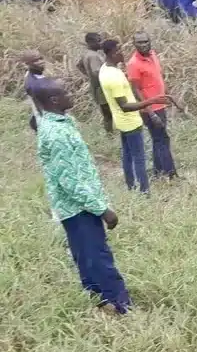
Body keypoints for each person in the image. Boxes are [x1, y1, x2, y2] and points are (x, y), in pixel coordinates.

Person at [33, 80, 131, 314]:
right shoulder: (56, 133)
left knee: (84, 253)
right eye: (66, 93)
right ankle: (120, 304)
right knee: (97, 254)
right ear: (54, 100)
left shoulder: (60, 123)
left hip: (73, 206)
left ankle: (95, 294)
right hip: (79, 206)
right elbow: (70, 181)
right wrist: (102, 209)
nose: (71, 95)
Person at [99, 39, 170, 193]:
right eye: (119, 50)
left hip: (121, 121)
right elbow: (124, 106)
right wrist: (151, 101)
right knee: (139, 158)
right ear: (113, 53)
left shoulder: (106, 69)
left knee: (127, 155)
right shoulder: (114, 77)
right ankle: (144, 191)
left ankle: (131, 185)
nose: (122, 52)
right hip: (130, 121)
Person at [127, 32, 179, 179]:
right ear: (134, 44)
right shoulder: (134, 64)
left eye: (145, 41)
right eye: (139, 42)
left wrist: (168, 96)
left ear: (150, 42)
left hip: (160, 105)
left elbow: (158, 77)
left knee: (159, 139)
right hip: (150, 108)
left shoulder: (152, 55)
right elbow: (136, 90)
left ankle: (158, 172)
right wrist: (150, 112)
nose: (143, 45)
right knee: (162, 139)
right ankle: (170, 174)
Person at [76, 32, 111, 132]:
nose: (101, 43)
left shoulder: (86, 53)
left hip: (95, 87)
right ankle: (110, 135)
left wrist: (88, 76)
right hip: (101, 89)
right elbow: (96, 72)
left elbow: (79, 65)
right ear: (90, 43)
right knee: (108, 114)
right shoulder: (93, 56)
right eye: (98, 41)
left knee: (106, 113)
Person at [21, 50, 48, 132]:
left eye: (41, 58)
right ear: (27, 64)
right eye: (36, 61)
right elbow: (40, 105)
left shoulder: (37, 74)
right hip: (45, 120)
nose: (40, 62)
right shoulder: (33, 83)